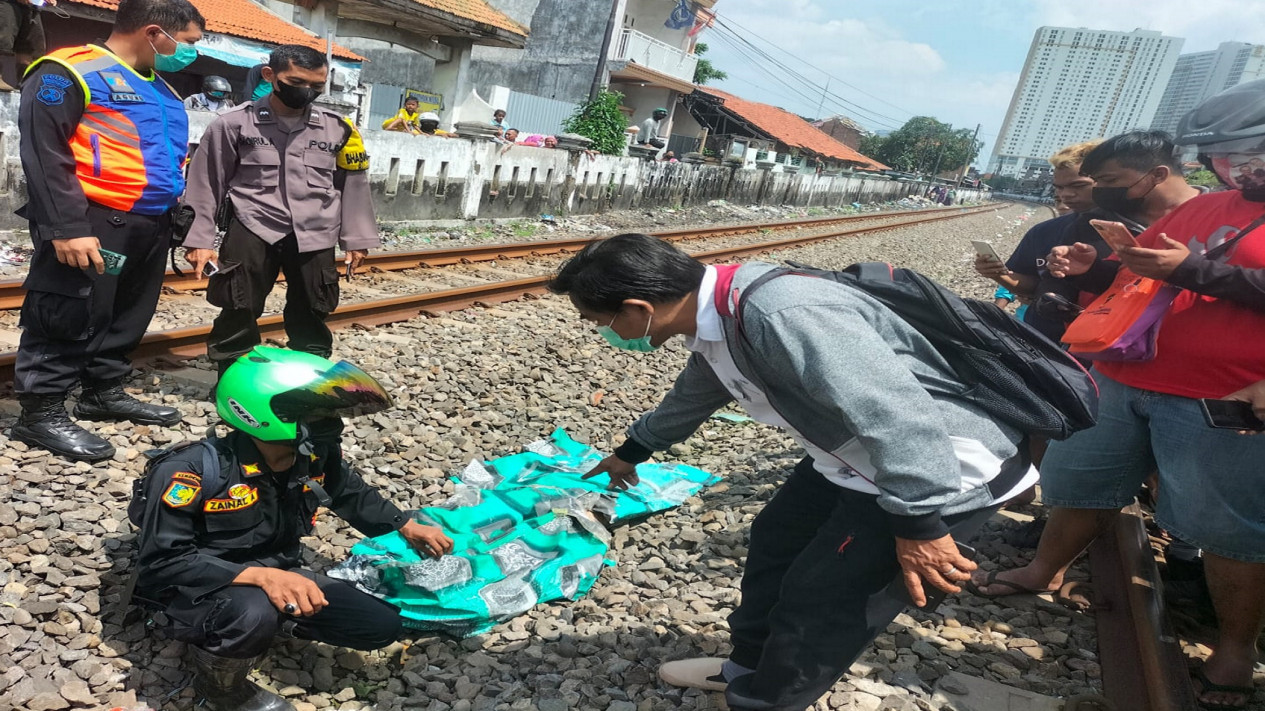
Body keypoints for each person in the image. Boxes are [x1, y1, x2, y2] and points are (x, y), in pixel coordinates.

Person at [548, 234, 1036, 710]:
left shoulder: (781, 314)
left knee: (821, 600)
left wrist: (918, 523)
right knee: (776, 541)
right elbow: (701, 386)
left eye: (599, 321)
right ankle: (745, 670)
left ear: (638, 308)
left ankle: (768, 700)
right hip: (853, 457)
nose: (603, 333)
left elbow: (897, 414)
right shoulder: (718, 311)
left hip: (937, 470)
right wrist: (635, 449)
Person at [973, 80, 1265, 710]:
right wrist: (1097, 269)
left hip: (1222, 400)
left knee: (1228, 530)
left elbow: (1193, 274)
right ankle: (1040, 571)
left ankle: (1235, 650)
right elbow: (1146, 279)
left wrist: (1186, 269)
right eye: (1220, 158)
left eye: (1239, 154)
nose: (1225, 168)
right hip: (1126, 379)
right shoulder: (1207, 207)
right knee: (1078, 480)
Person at [132, 346, 454, 711]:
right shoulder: (190, 472)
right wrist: (262, 579)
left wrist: (405, 525)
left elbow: (348, 492)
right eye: (313, 411)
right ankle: (222, 689)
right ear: (263, 413)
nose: (330, 420)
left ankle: (271, 624)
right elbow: (162, 563)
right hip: (200, 585)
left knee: (379, 627)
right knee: (253, 612)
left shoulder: (311, 452)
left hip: (276, 569)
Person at [9, 0, 204, 462]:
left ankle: (103, 390)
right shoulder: (68, 71)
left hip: (150, 221)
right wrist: (65, 226)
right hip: (91, 219)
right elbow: (43, 151)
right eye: (190, 42)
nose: (192, 53)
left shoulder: (161, 87)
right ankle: (40, 412)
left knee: (126, 312)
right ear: (155, 33)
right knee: (67, 310)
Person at [182, 44, 377, 379]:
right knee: (238, 305)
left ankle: (309, 379)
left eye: (317, 86)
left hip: (316, 232)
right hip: (253, 226)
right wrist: (198, 239)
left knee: (314, 308)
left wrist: (356, 239)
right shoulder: (233, 125)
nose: (307, 92)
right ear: (270, 76)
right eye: (298, 82)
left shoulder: (339, 129)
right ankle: (233, 379)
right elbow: (205, 183)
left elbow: (354, 185)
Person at [974, 140, 1099, 341]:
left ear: (1105, 180)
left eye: (1078, 185)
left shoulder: (1132, 232)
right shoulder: (1044, 232)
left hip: (1096, 344)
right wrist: (998, 275)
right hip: (1040, 338)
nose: (1065, 194)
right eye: (1059, 187)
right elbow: (1034, 286)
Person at [0, 0, 51, 90]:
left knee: (31, 46)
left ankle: (25, 83)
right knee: (3, 40)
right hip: (7, 3)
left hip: (31, 7)